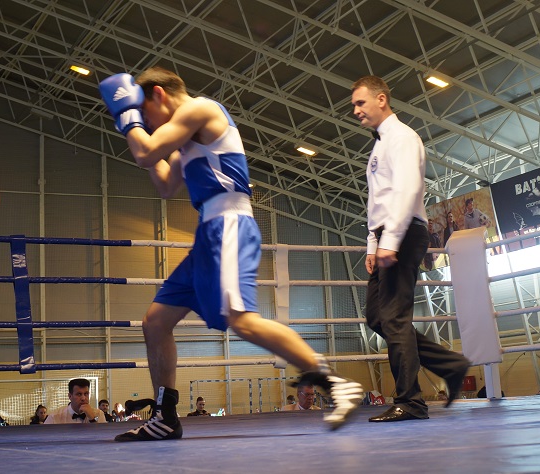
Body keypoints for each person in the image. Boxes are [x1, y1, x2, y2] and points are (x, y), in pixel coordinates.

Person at [98, 67, 363, 441]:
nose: (147, 122)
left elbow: (144, 152)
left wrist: (127, 117)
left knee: (243, 320)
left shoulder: (200, 110)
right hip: (208, 233)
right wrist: (134, 128)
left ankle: (333, 383)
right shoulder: (187, 139)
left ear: (158, 94)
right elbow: (163, 183)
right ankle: (166, 416)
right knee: (155, 322)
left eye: (146, 112)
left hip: (229, 225)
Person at [352, 75, 471, 423]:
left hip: (403, 232)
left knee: (394, 317)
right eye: (354, 106)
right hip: (388, 233)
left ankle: (411, 401)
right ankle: (448, 364)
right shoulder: (379, 145)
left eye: (360, 103)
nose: (356, 111)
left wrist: (390, 241)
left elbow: (406, 191)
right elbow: (378, 200)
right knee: (377, 316)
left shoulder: (403, 137)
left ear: (381, 99)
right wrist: (373, 245)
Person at [43, 378, 108, 424]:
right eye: (79, 394)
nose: (83, 398)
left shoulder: (98, 414)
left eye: (86, 394)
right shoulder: (54, 416)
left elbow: (103, 439)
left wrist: (92, 419)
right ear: (70, 396)